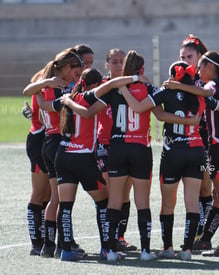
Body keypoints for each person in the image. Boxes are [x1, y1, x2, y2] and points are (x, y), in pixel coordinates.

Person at [56, 68, 146, 261]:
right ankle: (107, 248)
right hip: (82, 158)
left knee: (65, 205)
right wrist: (136, 77)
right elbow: (111, 86)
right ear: (95, 85)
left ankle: (65, 250)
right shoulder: (88, 96)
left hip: (63, 155)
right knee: (105, 202)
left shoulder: (69, 96)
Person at [119, 61, 205, 261]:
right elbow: (207, 102)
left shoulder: (165, 92)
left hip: (173, 152)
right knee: (192, 202)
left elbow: (149, 111)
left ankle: (168, 247)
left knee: (168, 203)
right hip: (196, 150)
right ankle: (188, 250)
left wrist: (122, 87)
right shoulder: (198, 92)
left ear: (172, 76)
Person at [165, 51, 219, 257]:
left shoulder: (212, 85)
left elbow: (207, 93)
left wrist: (178, 86)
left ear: (210, 67)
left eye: (201, 67)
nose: (198, 71)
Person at [96, 50, 158, 261]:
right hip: (140, 147)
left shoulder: (113, 90)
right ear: (141, 70)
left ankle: (111, 250)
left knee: (114, 201)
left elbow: (93, 103)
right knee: (142, 202)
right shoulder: (148, 88)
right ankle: (145, 251)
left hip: (118, 147)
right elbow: (157, 111)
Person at [31, 48, 84, 258]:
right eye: (76, 73)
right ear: (67, 68)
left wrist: (41, 86)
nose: (77, 78)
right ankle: (63, 245)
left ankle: (48, 245)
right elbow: (51, 105)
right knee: (64, 199)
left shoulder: (46, 83)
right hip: (59, 144)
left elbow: (33, 93)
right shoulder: (58, 87)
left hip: (48, 143)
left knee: (55, 198)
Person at [97, 48, 137, 252]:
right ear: (106, 64)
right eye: (114, 62)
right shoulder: (103, 87)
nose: (119, 65)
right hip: (106, 143)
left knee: (125, 194)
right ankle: (108, 238)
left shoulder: (132, 85)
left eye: (122, 61)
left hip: (128, 144)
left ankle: (119, 237)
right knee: (111, 192)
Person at [178, 34, 214, 242]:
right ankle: (197, 229)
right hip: (186, 142)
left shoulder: (206, 81)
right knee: (192, 188)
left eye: (189, 56)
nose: (185, 61)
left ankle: (204, 231)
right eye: (182, 56)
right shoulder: (179, 78)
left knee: (205, 187)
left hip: (206, 140)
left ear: (200, 56)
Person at [23, 69, 51, 256]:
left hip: (50, 141)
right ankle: (36, 243)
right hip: (40, 140)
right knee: (39, 193)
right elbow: (41, 116)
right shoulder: (45, 81)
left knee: (50, 193)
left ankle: (46, 239)